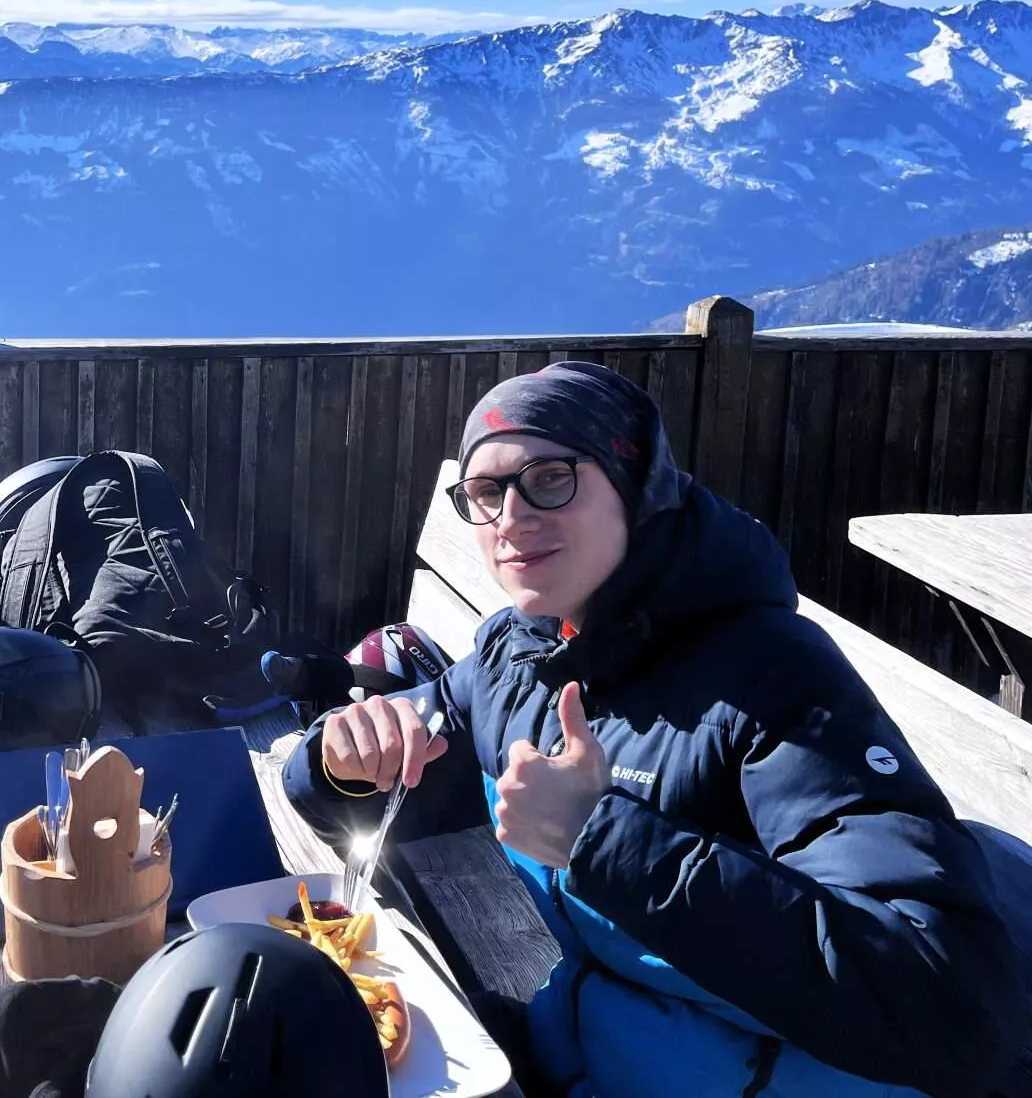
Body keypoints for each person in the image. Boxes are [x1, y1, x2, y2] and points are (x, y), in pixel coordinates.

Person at [284, 361, 1025, 1098]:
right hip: (597, 1051)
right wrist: (340, 759)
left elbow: (952, 1004)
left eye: (549, 478)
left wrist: (602, 839)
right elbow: (384, 788)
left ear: (635, 485)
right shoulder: (518, 652)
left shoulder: (770, 678)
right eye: (484, 493)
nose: (509, 518)